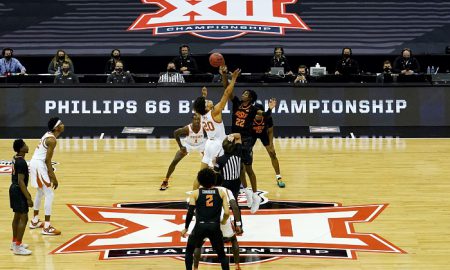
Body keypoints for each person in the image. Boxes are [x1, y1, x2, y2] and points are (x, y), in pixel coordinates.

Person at [192, 69, 240, 190]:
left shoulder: (200, 114)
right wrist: (233, 79)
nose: (209, 100)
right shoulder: (215, 112)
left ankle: (192, 198)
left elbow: (198, 107)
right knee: (218, 174)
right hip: (219, 145)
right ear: (206, 106)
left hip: (208, 144)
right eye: (206, 101)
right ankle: (221, 196)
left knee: (201, 173)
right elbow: (227, 93)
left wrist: (203, 96)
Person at [193, 160, 244, 270]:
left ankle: (195, 268)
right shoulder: (225, 190)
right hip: (222, 218)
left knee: (198, 244)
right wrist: (238, 224)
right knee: (233, 240)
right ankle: (237, 265)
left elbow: (194, 208)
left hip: (205, 219)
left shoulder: (201, 190)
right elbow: (234, 207)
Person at [182, 168, 230, 270]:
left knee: (189, 251)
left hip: (200, 226)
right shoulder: (221, 193)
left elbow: (190, 212)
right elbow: (226, 212)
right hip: (215, 227)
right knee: (222, 255)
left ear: (200, 180)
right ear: (214, 180)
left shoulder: (195, 193)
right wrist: (224, 221)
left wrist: (186, 228)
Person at [29, 117, 65, 235]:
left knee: (40, 192)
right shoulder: (52, 140)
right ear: (57, 128)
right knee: (49, 194)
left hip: (35, 163)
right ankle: (47, 227)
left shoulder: (48, 134)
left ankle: (34, 221)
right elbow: (47, 160)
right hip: (39, 165)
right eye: (61, 124)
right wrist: (53, 177)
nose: (63, 125)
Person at [160, 113, 206, 190]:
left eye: (199, 119)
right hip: (188, 145)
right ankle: (166, 180)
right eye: (195, 119)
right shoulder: (187, 128)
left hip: (201, 144)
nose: (197, 121)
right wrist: (181, 147)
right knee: (175, 161)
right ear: (192, 120)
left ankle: (210, 183)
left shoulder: (204, 127)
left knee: (211, 162)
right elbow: (175, 133)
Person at [252, 103, 285, 188]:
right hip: (251, 135)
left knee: (273, 154)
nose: (258, 116)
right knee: (246, 156)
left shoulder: (267, 117)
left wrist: (271, 145)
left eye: (260, 114)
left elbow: (270, 131)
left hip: (264, 134)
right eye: (256, 114)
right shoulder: (249, 118)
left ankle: (279, 177)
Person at [9, 139, 33, 255]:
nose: (27, 146)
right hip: (18, 190)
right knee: (24, 217)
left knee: (17, 216)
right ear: (21, 149)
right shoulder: (21, 163)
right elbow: (21, 182)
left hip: (13, 189)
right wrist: (28, 197)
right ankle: (18, 246)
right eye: (25, 145)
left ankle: (14, 243)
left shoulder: (15, 158)